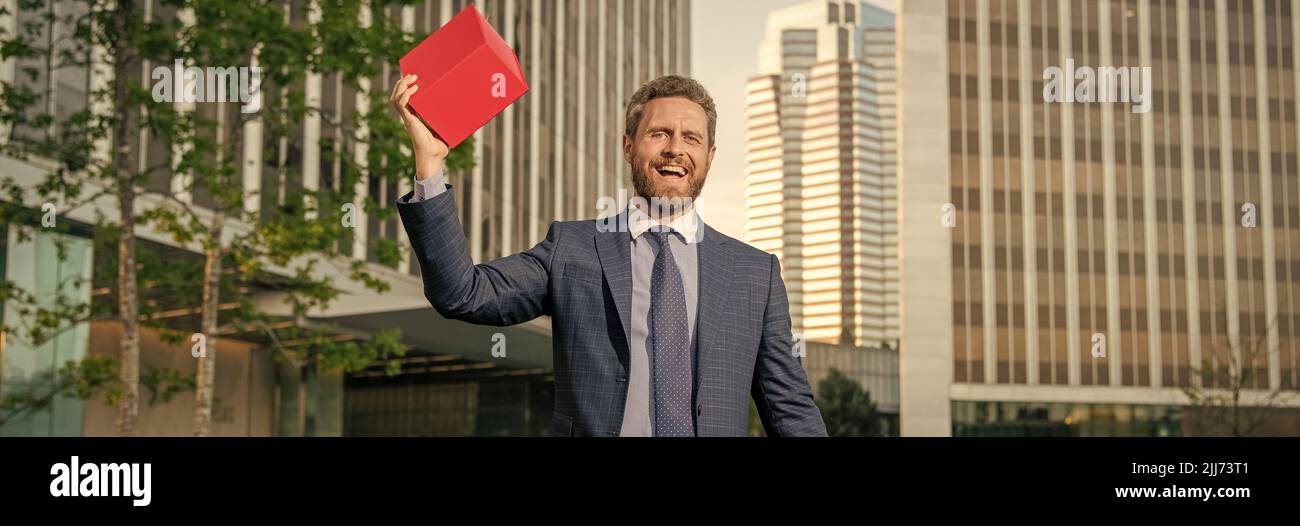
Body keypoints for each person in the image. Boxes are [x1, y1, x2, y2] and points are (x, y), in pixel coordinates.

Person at [391, 73, 826, 437]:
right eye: (659, 134)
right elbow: (464, 293)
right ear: (628, 146)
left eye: (691, 138)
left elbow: (788, 406)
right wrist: (429, 165)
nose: (675, 148)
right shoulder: (572, 248)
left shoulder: (756, 273)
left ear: (709, 157)